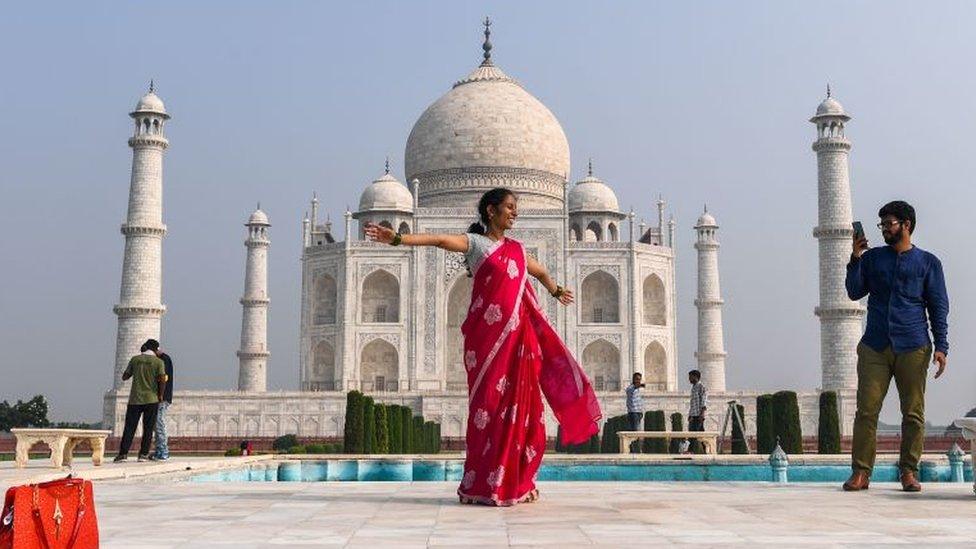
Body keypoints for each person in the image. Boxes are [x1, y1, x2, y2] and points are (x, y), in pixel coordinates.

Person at [365, 187, 602, 506]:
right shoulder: (474, 244)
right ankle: (482, 482)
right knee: (487, 408)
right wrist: (396, 239)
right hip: (486, 341)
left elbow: (542, 271)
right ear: (491, 211)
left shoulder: (518, 250)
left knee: (522, 408)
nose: (515, 212)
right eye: (509, 207)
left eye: (516, 207)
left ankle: (516, 482)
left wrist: (556, 290)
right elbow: (437, 240)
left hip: (518, 341)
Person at [843, 201, 948, 492]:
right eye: (882, 225)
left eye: (889, 224)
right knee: (866, 411)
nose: (884, 230)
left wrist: (942, 346)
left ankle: (909, 472)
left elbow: (938, 307)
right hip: (875, 345)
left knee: (913, 413)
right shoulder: (873, 258)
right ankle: (861, 473)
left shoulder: (928, 263)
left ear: (906, 225)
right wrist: (855, 257)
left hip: (913, 345)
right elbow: (854, 292)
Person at [115, 339, 168, 462]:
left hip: (135, 399)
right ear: (155, 349)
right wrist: (160, 395)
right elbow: (162, 380)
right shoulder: (158, 362)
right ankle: (143, 454)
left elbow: (125, 377)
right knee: (148, 428)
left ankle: (123, 454)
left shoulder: (135, 359)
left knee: (129, 427)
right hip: (152, 399)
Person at [150, 344, 174, 461]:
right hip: (161, 397)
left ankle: (163, 452)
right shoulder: (164, 358)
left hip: (162, 398)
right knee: (157, 424)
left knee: (159, 424)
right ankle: (159, 451)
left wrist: (160, 395)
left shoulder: (163, 360)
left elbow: (163, 378)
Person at [687, 370, 707, 453]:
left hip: (698, 415)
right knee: (692, 434)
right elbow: (693, 403)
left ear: (696, 377)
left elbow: (704, 400)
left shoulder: (701, 386)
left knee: (699, 435)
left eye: (690, 377)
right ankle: (691, 450)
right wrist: (690, 415)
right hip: (694, 415)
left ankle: (703, 450)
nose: (689, 379)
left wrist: (702, 414)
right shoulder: (694, 387)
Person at [625, 372, 645, 453]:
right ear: (633, 379)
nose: (638, 381)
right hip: (633, 413)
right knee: (634, 432)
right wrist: (641, 385)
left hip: (638, 413)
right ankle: (635, 450)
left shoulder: (637, 389)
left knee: (636, 432)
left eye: (639, 379)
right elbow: (635, 386)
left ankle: (635, 449)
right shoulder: (630, 388)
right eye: (637, 379)